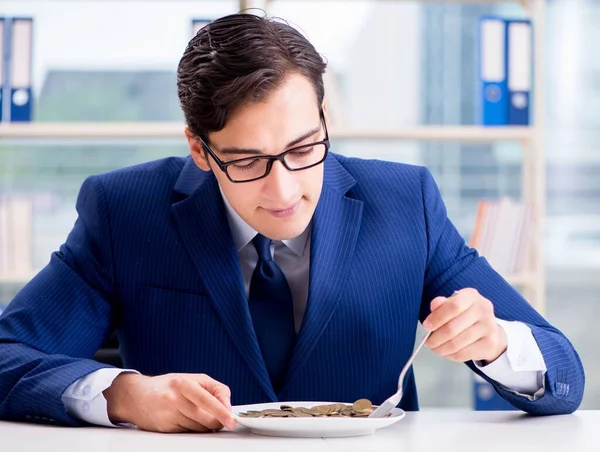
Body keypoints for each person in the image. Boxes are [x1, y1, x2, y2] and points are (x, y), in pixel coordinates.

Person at [0, 12, 584, 433]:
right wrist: (124, 394)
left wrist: (499, 342)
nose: (283, 191)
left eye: (304, 147)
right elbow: (8, 356)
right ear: (200, 150)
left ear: (326, 117)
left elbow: (564, 372)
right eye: (247, 161)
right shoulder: (125, 210)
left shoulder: (406, 202)